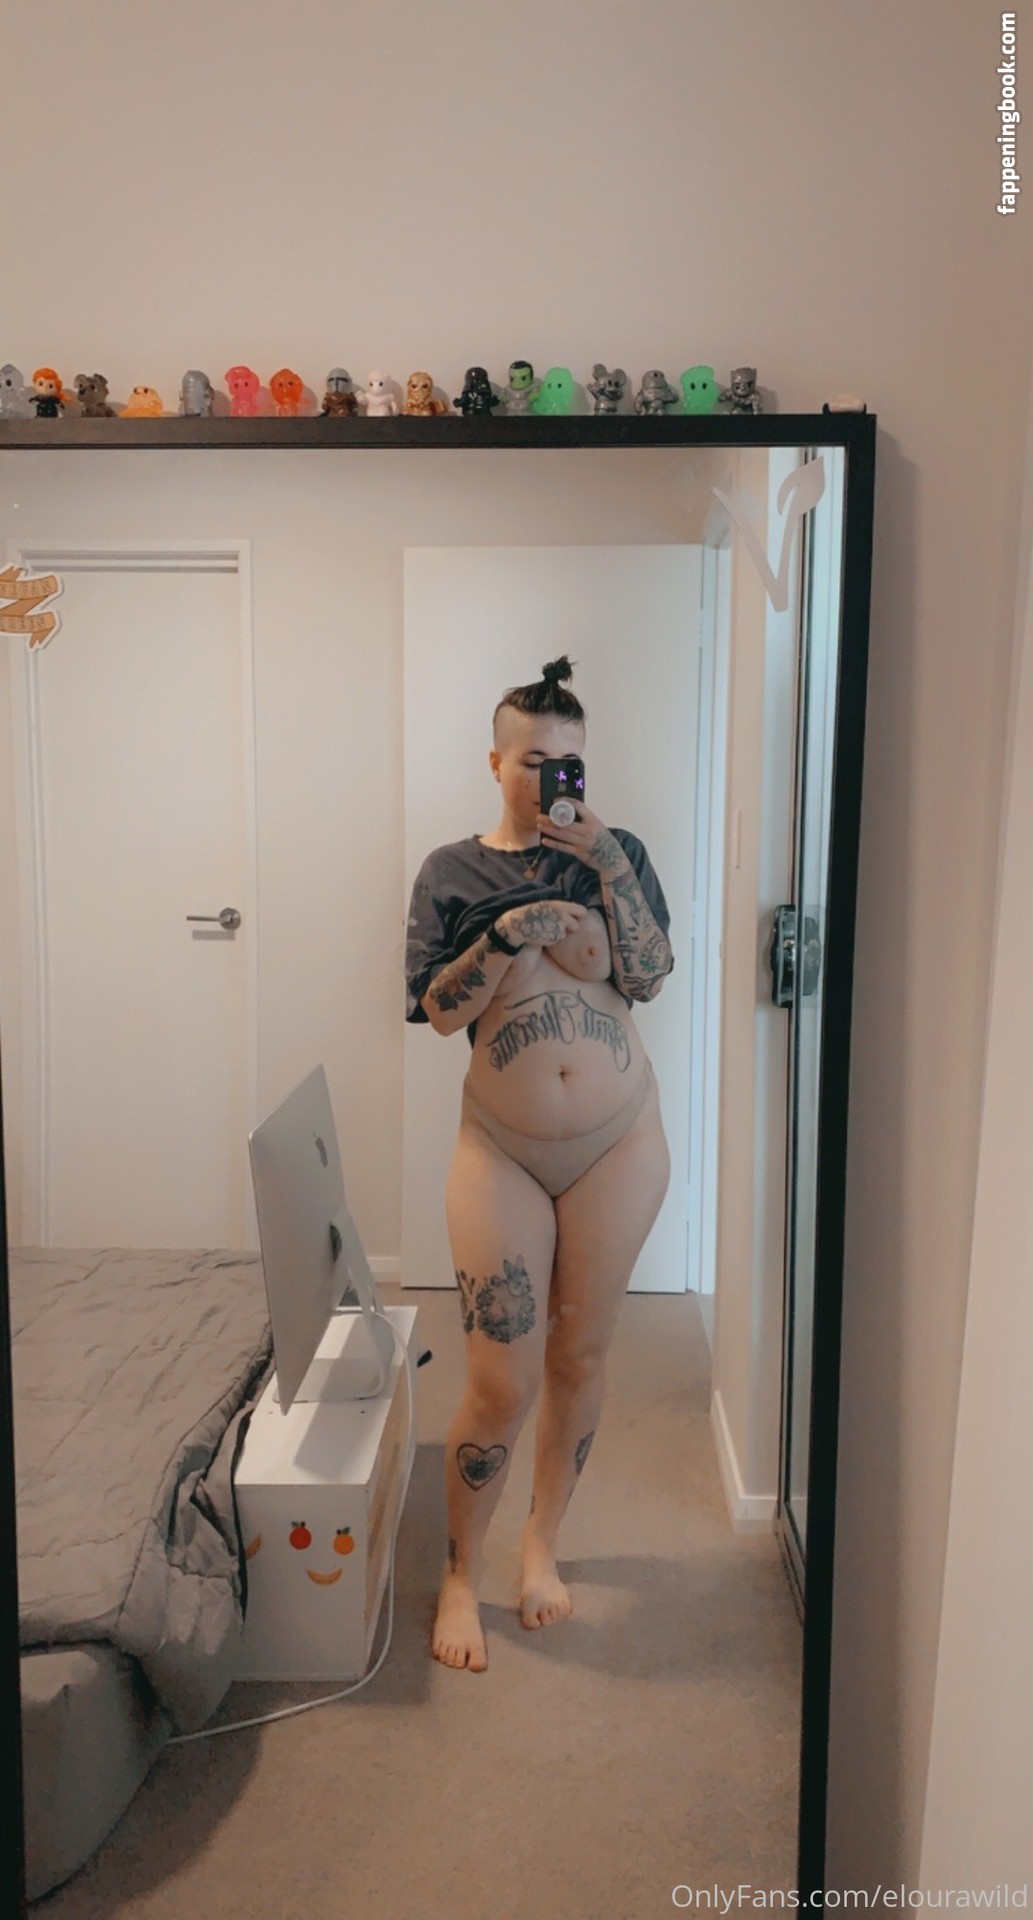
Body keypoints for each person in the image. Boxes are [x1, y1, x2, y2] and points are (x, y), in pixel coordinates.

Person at [405, 656, 674, 1672]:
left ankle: (540, 1547)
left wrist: (604, 861)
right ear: (495, 762)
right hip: (501, 1147)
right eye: (531, 762)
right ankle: (459, 1573)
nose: (550, 780)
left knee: (581, 1358)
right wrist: (508, 934)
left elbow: (649, 973)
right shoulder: (452, 871)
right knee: (499, 1380)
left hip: (618, 1141)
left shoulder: (617, 854)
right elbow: (438, 1012)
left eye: (568, 764)